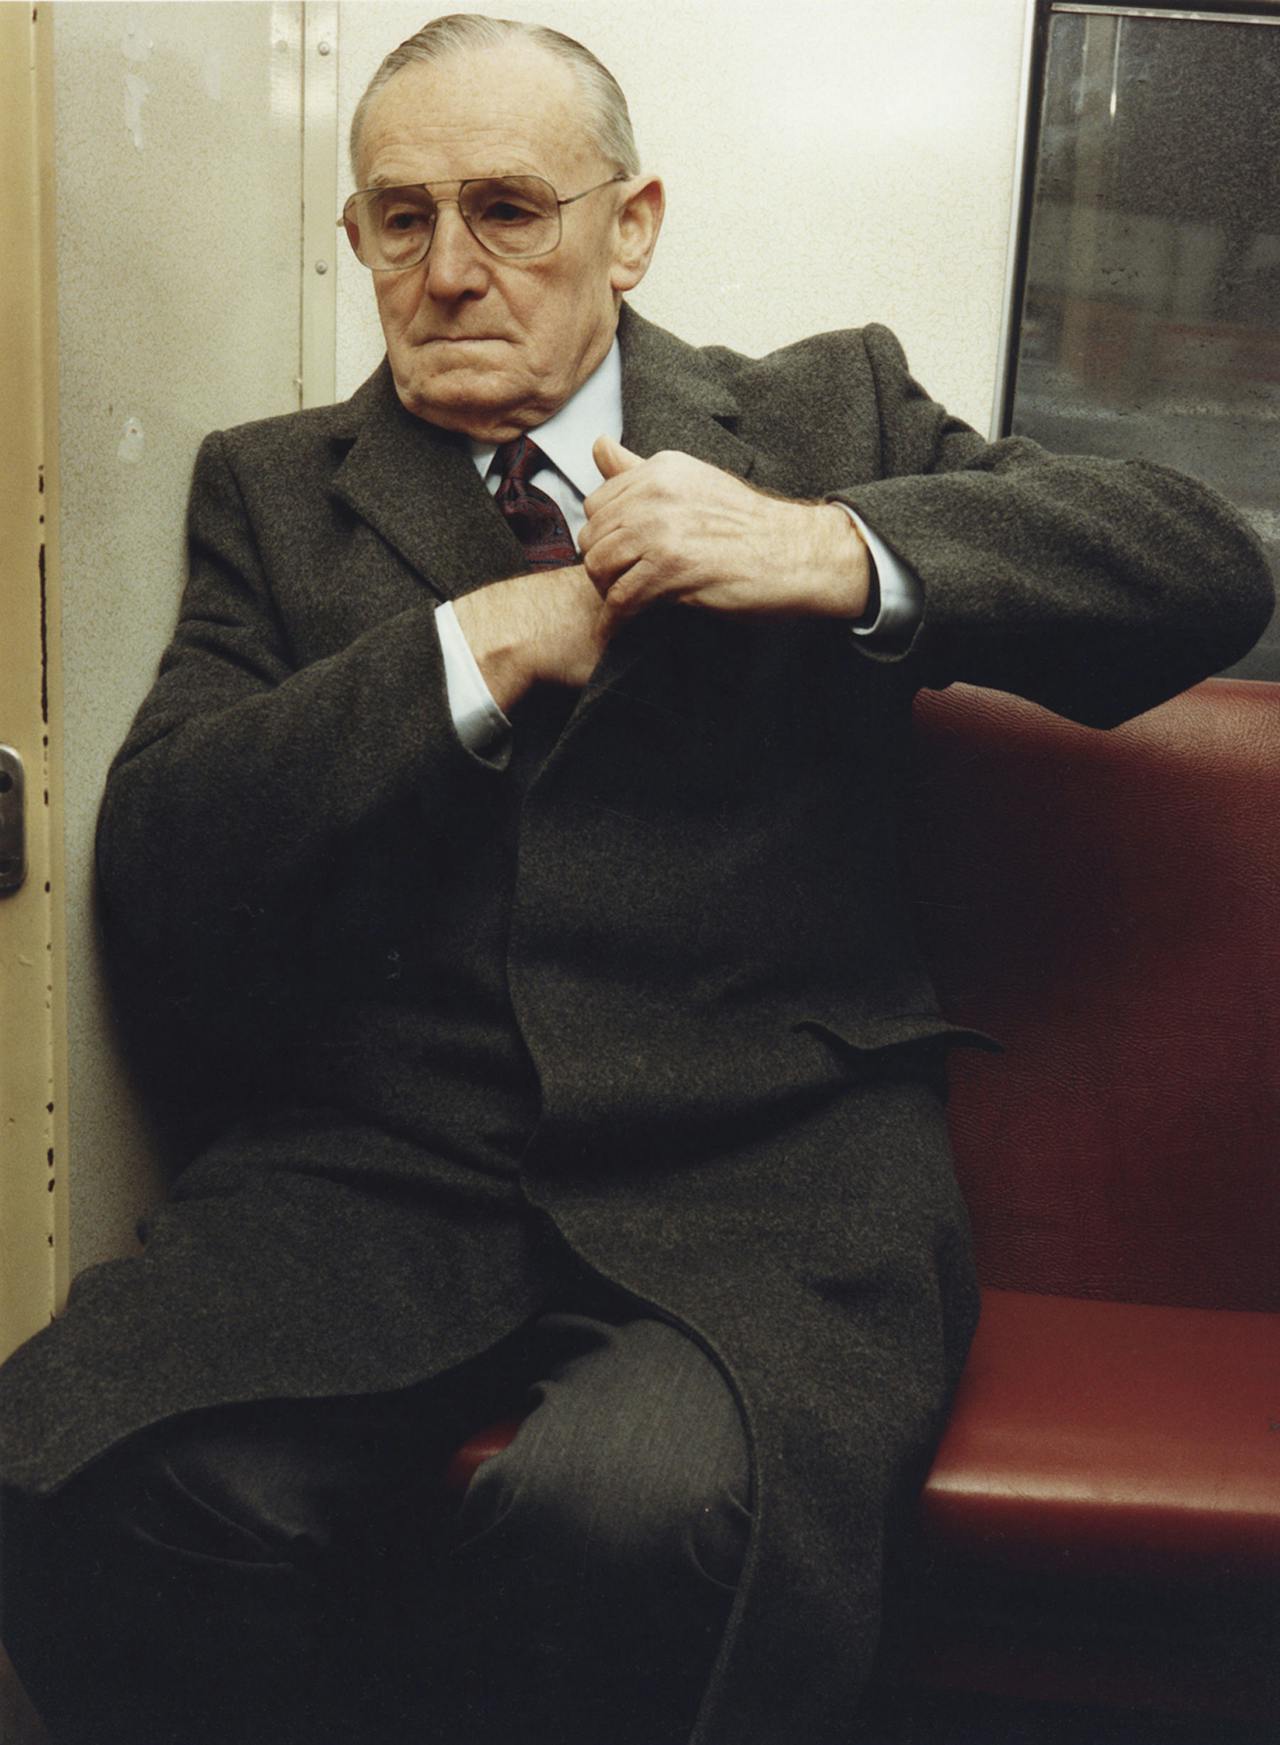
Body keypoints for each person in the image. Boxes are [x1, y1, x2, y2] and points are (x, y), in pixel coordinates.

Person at [0, 14, 1271, 1745]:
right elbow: (164, 868)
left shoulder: (825, 410)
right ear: (357, 236)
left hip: (772, 1163)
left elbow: (1200, 567)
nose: (450, 269)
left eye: (510, 208)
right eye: (400, 218)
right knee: (86, 1466)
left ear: (633, 227)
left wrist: (830, 546)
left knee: (631, 1512)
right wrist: (471, 649)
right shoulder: (276, 489)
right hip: (392, 1170)